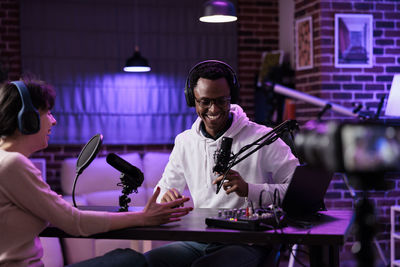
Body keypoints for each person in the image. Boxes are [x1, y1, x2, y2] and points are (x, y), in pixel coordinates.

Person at [0, 78, 193, 267]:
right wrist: (144, 217)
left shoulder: (5, 159)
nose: (54, 120)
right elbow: (75, 222)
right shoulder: (13, 164)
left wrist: (49, 206)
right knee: (128, 259)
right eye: (48, 113)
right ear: (28, 119)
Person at [144, 60, 299, 267]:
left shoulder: (263, 138)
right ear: (192, 100)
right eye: (205, 102)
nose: (214, 109)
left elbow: (299, 194)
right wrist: (165, 196)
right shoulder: (185, 141)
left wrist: (249, 189)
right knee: (148, 263)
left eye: (221, 101)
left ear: (231, 97)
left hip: (250, 242)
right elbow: (163, 190)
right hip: (200, 239)